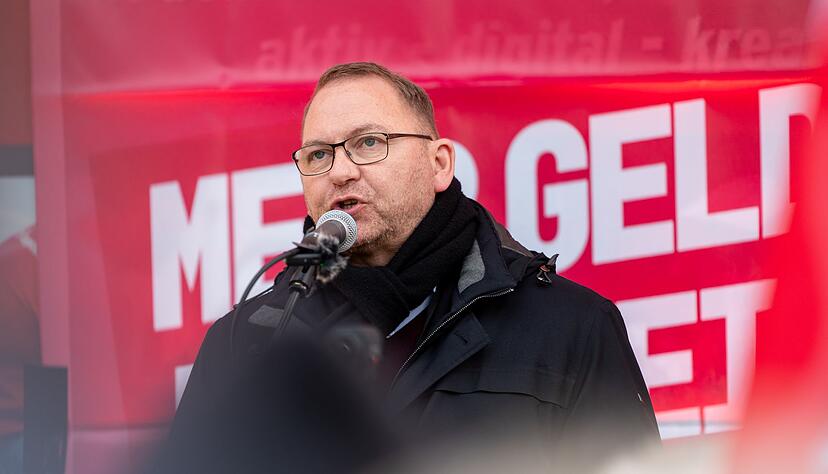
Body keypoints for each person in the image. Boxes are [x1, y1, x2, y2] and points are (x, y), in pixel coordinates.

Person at [166, 62, 659, 473]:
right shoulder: (243, 343)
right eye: (319, 154)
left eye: (368, 143)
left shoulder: (570, 326)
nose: (340, 171)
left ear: (439, 163)